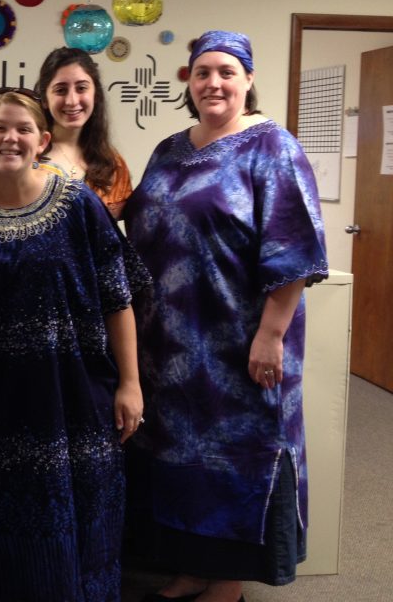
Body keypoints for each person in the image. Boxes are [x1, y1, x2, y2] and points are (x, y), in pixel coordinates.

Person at [122, 31, 328, 602]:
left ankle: (227, 581)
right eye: (202, 72)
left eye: (226, 72)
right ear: (189, 82)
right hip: (169, 344)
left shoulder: (273, 147)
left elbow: (295, 252)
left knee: (235, 457)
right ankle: (192, 568)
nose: (213, 83)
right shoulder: (168, 150)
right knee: (176, 457)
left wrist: (271, 335)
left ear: (248, 80)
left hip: (239, 342)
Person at [0, 86, 143, 602]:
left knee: (80, 532)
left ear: (42, 140)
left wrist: (130, 383)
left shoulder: (79, 205)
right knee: (0, 536)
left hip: (74, 402)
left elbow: (119, 298)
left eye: (23, 129)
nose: (10, 138)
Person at [0, 47, 133, 218]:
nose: (72, 101)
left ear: (95, 94)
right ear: (45, 99)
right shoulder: (18, 149)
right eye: (61, 90)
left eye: (81, 88)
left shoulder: (113, 164)